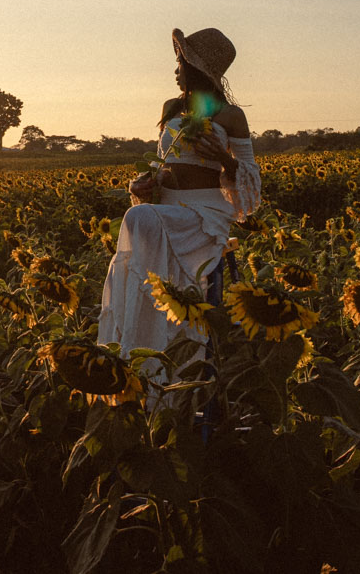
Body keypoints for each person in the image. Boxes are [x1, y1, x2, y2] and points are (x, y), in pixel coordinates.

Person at [98, 28, 262, 364]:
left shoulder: (231, 116)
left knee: (138, 218)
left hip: (203, 214)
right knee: (141, 217)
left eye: (180, 63)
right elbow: (164, 165)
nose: (175, 71)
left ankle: (157, 350)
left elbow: (250, 187)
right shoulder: (171, 108)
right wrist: (141, 184)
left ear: (197, 68)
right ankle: (141, 350)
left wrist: (223, 157)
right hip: (167, 206)